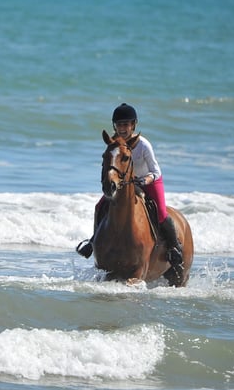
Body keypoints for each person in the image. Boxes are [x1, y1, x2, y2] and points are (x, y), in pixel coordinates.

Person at [76, 102, 183, 268]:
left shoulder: (143, 145)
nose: (122, 128)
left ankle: (174, 247)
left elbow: (155, 170)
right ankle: (93, 241)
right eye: (119, 125)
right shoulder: (114, 144)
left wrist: (146, 180)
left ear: (133, 125)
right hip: (125, 184)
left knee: (161, 212)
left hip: (149, 181)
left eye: (126, 124)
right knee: (99, 206)